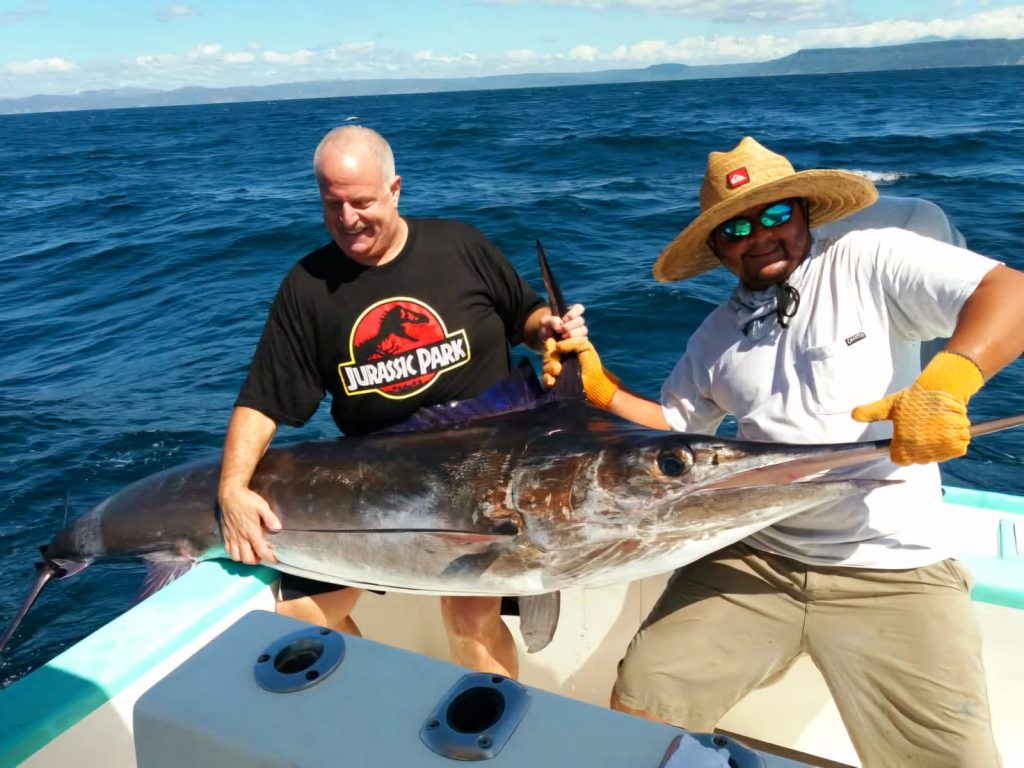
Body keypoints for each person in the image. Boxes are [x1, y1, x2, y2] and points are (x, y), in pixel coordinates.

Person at [544, 136, 1024, 766]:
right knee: (642, 705)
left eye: (775, 215)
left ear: (804, 212)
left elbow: (1009, 292)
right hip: (756, 554)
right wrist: (603, 391)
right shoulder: (715, 334)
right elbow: (674, 425)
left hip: (894, 567)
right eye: (735, 228)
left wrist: (949, 382)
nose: (759, 235)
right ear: (717, 248)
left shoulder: (868, 258)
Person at [217, 125, 586, 679]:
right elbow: (264, 401)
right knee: (300, 614)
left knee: (469, 625)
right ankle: (388, 703)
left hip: (484, 484)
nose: (347, 219)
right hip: (378, 492)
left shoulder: (461, 246)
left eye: (362, 201)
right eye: (332, 203)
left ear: (395, 189)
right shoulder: (308, 286)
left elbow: (526, 318)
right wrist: (231, 489)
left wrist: (550, 327)